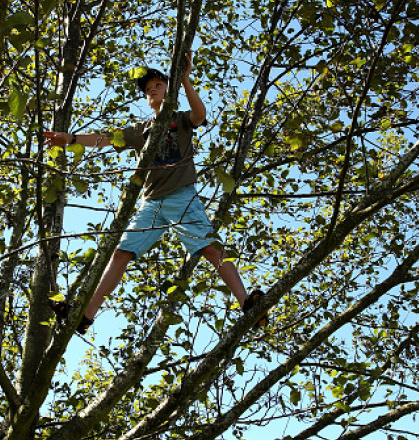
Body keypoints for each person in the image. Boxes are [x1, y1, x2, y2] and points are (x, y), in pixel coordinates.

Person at [45, 52, 267, 334]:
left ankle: (248, 303)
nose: (152, 92)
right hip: (151, 203)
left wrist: (184, 80)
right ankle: (85, 316)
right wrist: (71, 139)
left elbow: (200, 115)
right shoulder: (142, 130)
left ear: (168, 88)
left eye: (157, 86)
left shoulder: (180, 119)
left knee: (211, 249)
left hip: (181, 197)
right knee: (121, 253)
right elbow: (107, 138)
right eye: (148, 90)